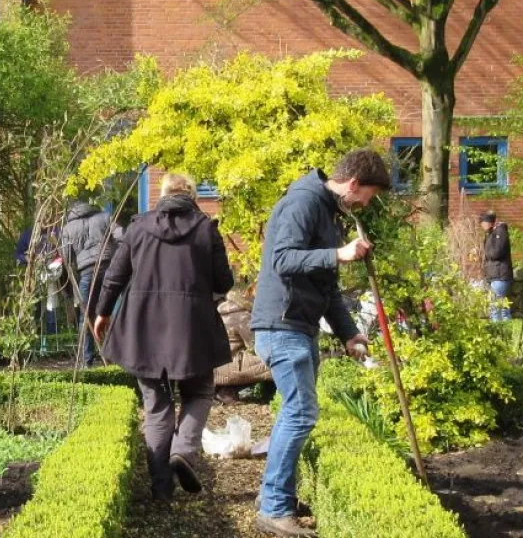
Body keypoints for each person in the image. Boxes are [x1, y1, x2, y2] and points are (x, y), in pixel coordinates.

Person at [250, 149, 387, 538]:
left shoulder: (327, 213)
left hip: (300, 326)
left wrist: (348, 333)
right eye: (369, 195)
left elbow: (326, 287)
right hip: (281, 325)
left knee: (294, 413)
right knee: (301, 413)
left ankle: (275, 496)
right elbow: (282, 259)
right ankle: (275, 508)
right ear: (354, 183)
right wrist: (337, 254)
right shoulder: (303, 201)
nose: (366, 204)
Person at [93, 173, 235, 501]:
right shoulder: (206, 228)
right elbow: (224, 282)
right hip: (192, 328)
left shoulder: (138, 227)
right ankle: (184, 450)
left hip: (144, 329)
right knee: (199, 391)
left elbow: (115, 276)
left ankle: (161, 488)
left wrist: (103, 311)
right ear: (192, 196)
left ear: (163, 194)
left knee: (156, 405)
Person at [61, 198, 122, 367]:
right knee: (109, 310)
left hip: (86, 272)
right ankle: (115, 356)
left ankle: (86, 361)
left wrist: (69, 284)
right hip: (109, 268)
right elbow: (121, 237)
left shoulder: (67, 228)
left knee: (86, 316)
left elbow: (66, 259)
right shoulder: (104, 217)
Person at [480, 211, 513, 322]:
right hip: (496, 275)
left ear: (488, 222)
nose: (481, 226)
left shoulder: (500, 232)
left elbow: (496, 253)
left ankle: (497, 330)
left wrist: (484, 253)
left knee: (496, 308)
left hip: (500, 275)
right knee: (502, 307)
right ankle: (506, 331)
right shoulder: (492, 234)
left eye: (482, 223)